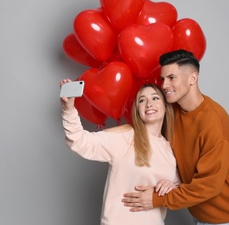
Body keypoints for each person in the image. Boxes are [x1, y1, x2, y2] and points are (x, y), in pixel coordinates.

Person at [122, 50, 229, 224]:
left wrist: (156, 200)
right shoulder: (172, 111)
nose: (164, 85)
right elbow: (155, 141)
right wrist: (173, 181)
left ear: (193, 78)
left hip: (228, 218)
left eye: (171, 78)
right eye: (163, 79)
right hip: (199, 214)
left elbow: (207, 186)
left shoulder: (215, 123)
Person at [60, 79, 181, 225]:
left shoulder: (169, 148)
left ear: (165, 106)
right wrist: (69, 109)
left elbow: (179, 186)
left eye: (155, 98)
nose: (149, 104)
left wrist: (173, 186)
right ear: (137, 110)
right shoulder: (125, 138)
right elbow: (79, 142)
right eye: (142, 100)